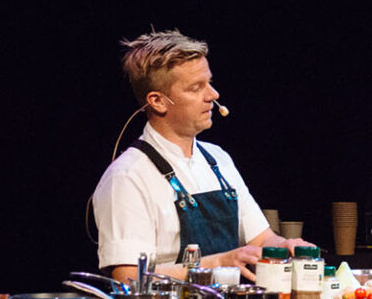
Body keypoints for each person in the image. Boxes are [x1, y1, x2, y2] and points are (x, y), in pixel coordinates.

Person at [92, 29, 306, 283]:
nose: (212, 95)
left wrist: (286, 247)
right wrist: (219, 263)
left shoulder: (218, 159)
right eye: (196, 88)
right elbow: (127, 278)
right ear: (158, 101)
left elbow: (262, 240)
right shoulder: (128, 177)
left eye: (209, 82)